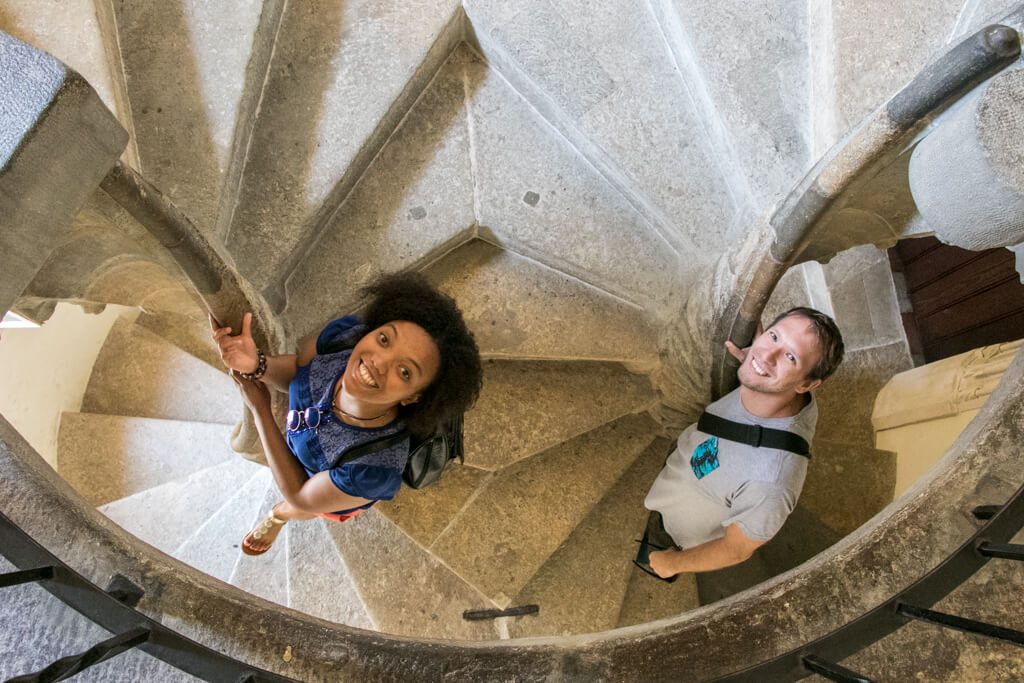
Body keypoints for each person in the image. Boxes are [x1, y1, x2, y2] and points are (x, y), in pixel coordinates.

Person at [211, 271, 482, 555]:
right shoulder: (346, 338)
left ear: (414, 396)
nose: (377, 361)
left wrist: (261, 411)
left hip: (331, 487)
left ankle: (278, 516)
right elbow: (301, 374)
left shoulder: (370, 471)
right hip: (315, 461)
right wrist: (256, 364)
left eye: (404, 371)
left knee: (313, 508)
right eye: (384, 339)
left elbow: (303, 497)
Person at [642, 307, 844, 579]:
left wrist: (673, 564)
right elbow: (767, 358)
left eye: (790, 356)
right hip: (686, 469)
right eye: (774, 336)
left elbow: (736, 549)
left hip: (676, 533)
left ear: (806, 385)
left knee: (654, 548)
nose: (767, 355)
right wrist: (757, 361)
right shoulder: (776, 386)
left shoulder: (770, 484)